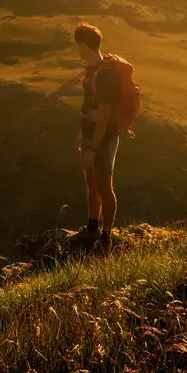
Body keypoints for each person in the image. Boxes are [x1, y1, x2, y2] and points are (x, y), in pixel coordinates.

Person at [73, 22, 139, 244]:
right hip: (89, 134)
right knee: (91, 184)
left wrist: (93, 147)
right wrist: (81, 135)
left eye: (78, 45)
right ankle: (92, 227)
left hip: (103, 138)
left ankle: (106, 236)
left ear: (84, 45)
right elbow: (89, 106)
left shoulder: (104, 76)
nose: (77, 50)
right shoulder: (92, 71)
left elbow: (104, 114)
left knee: (103, 186)